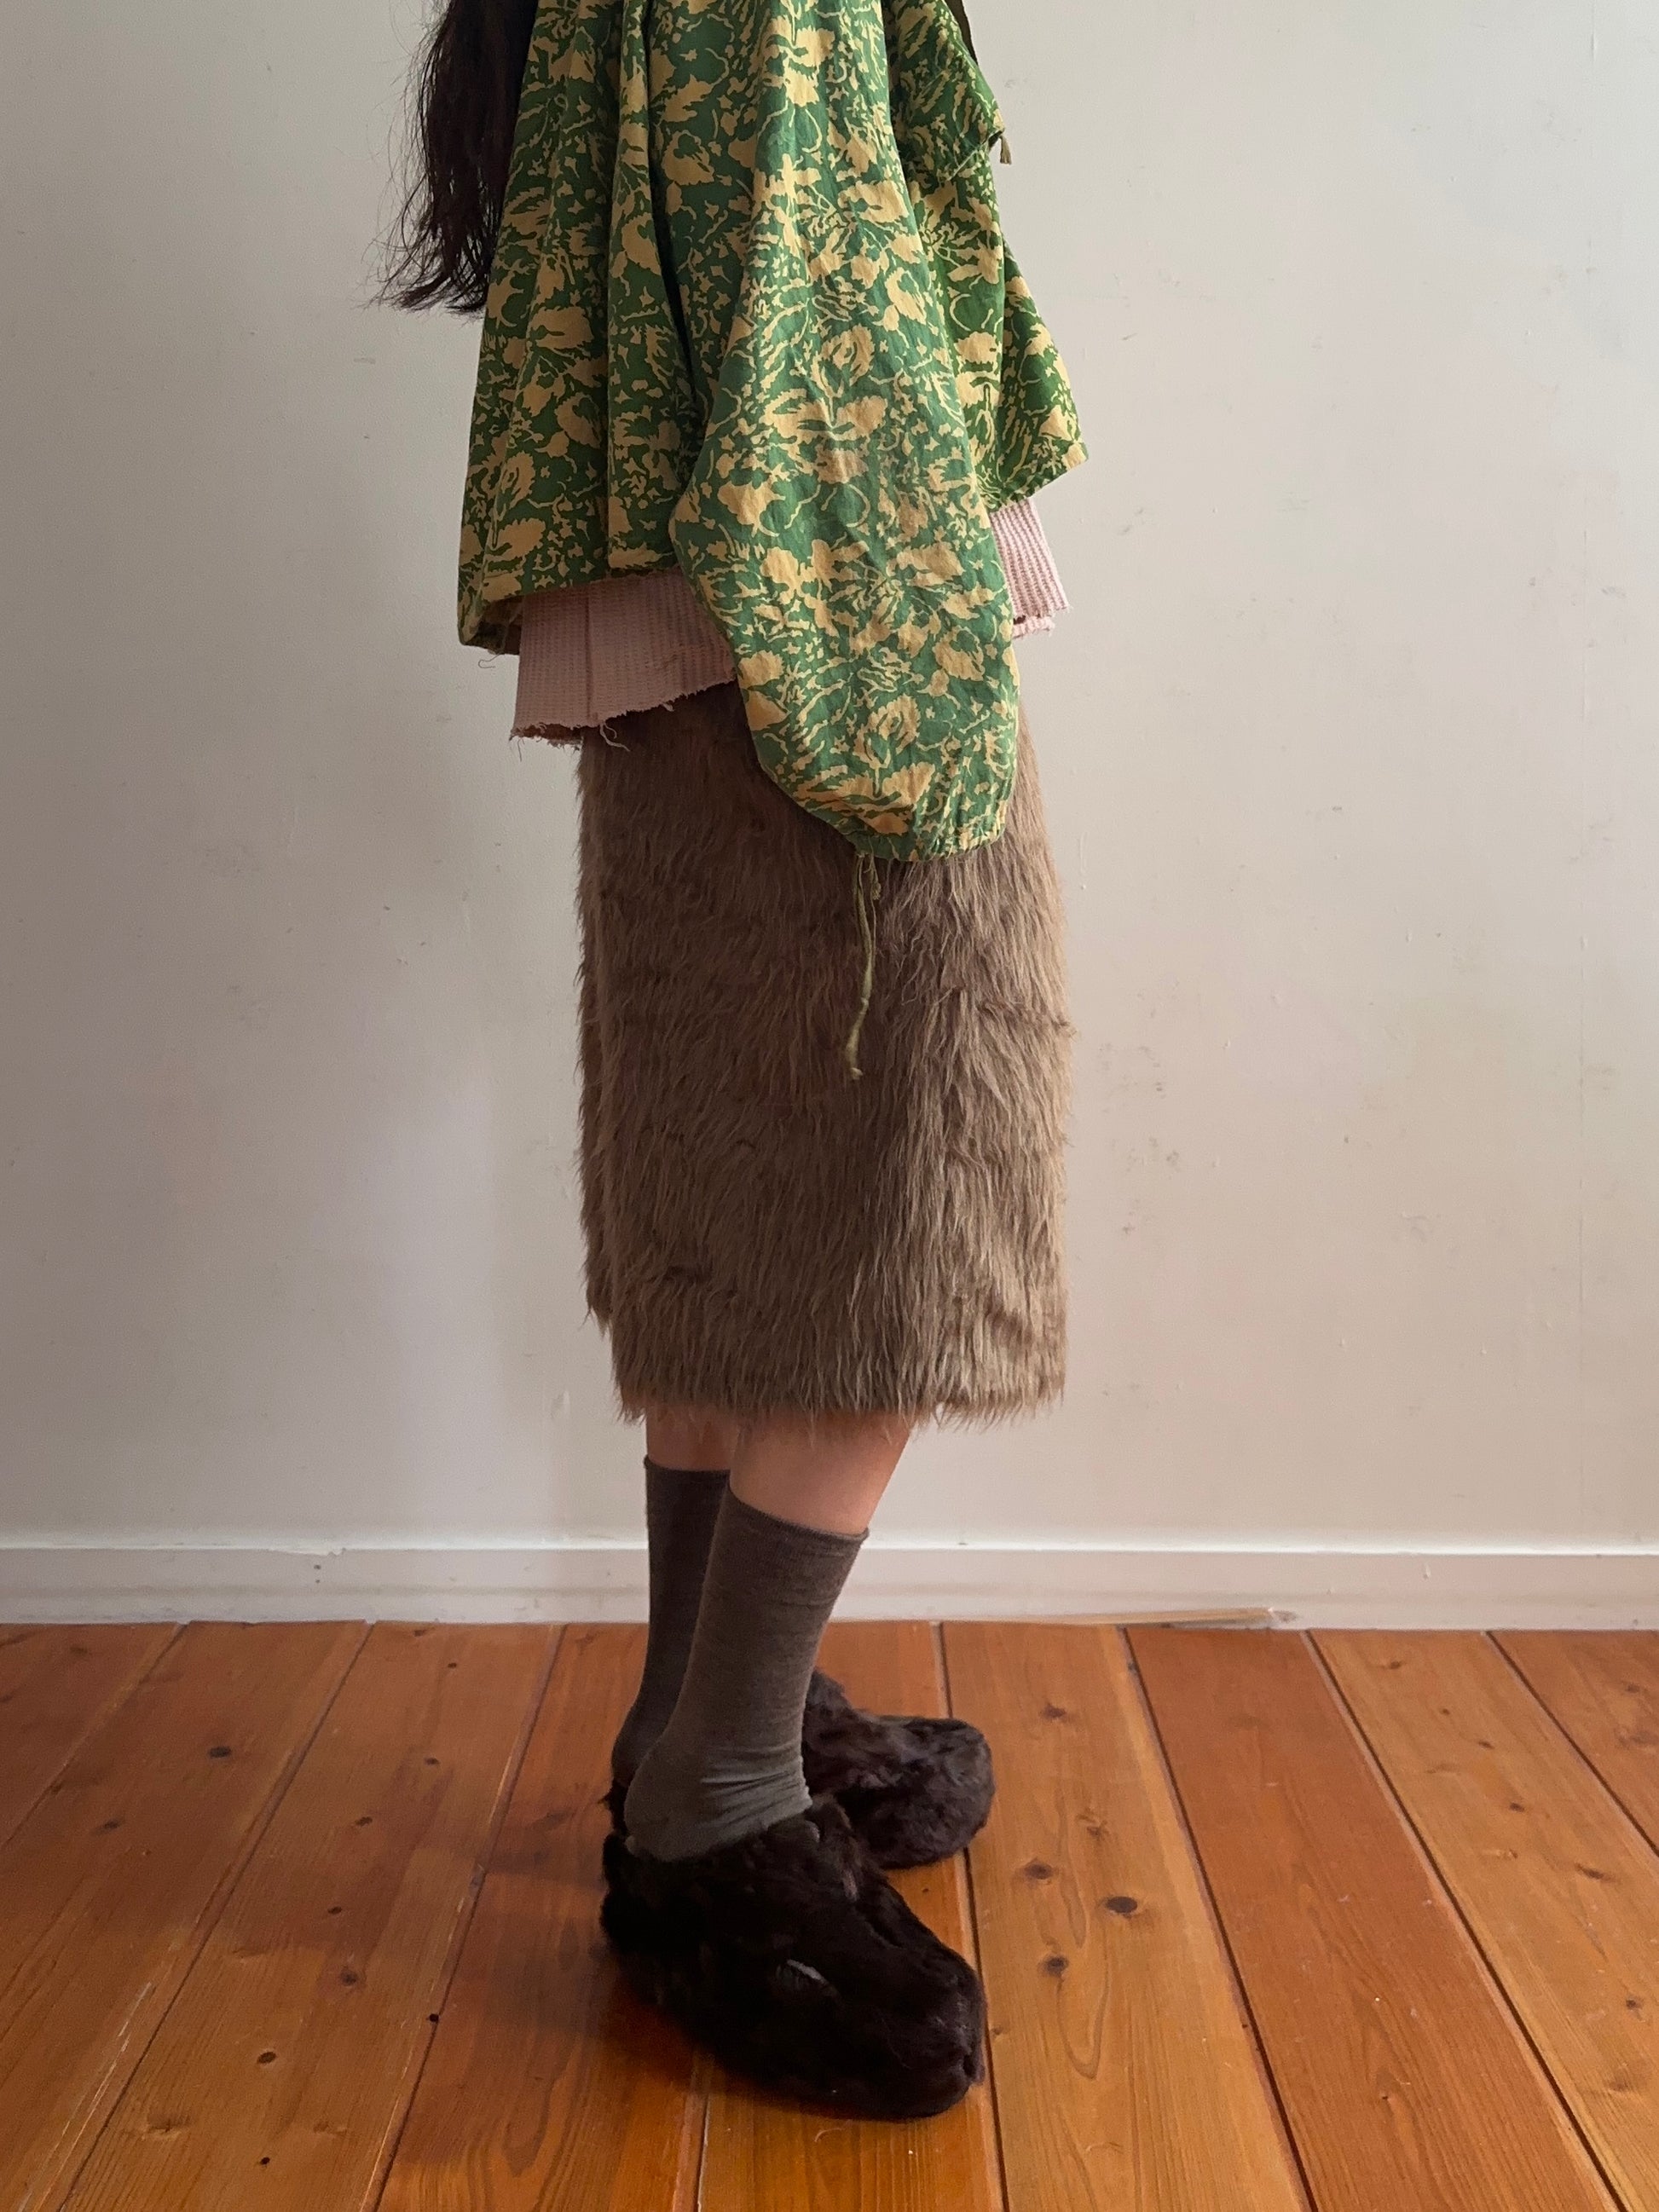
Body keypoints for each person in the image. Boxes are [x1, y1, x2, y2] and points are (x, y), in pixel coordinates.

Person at [385, 0, 1084, 2118]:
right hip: (807, 611)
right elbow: (803, 276)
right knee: (912, 1186)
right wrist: (898, 663)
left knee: (738, 1182)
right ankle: (718, 1810)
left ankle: (702, 1715)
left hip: (685, 608)